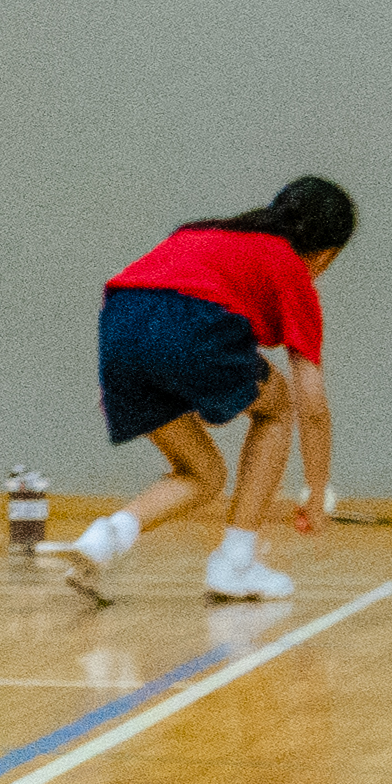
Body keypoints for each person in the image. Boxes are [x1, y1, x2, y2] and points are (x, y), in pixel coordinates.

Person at [54, 177, 353, 605]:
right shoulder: (290, 266)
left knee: (202, 474)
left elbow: (145, 293)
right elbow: (314, 406)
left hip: (118, 330)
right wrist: (318, 491)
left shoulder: (201, 232)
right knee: (278, 408)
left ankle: (106, 537)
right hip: (187, 324)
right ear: (327, 252)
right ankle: (235, 561)